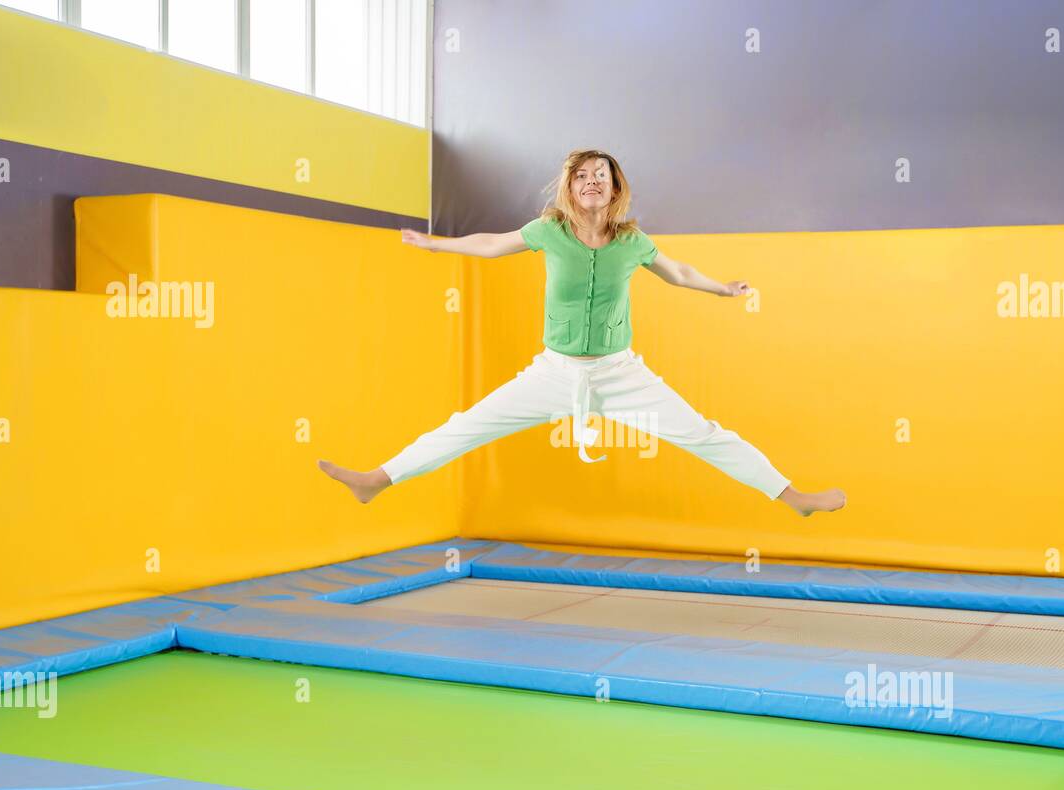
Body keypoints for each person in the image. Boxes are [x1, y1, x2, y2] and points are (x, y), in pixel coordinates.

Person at [319, 148, 846, 517]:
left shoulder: (632, 241)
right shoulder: (549, 232)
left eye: (602, 175)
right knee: (468, 426)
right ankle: (376, 481)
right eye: (583, 176)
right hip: (554, 372)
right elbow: (492, 244)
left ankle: (792, 497)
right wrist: (437, 244)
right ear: (570, 188)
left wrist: (723, 289)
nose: (592, 181)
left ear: (615, 188)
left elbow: (679, 272)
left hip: (620, 373)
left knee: (704, 434)